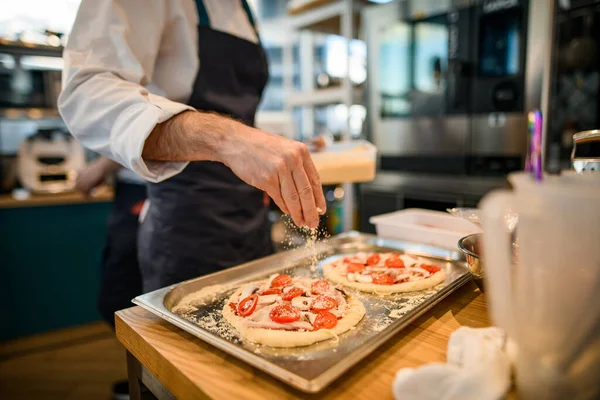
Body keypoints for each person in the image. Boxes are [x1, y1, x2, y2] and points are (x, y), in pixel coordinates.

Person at [59, 0, 325, 292]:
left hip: (250, 218)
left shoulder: (244, 12)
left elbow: (240, 116)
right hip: (187, 227)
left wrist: (271, 152)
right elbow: (86, 90)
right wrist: (227, 139)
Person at [75, 156, 146, 399]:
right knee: (122, 297)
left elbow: (155, 124)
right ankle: (145, 377)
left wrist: (103, 164)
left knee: (120, 295)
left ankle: (151, 378)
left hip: (152, 186)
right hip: (131, 188)